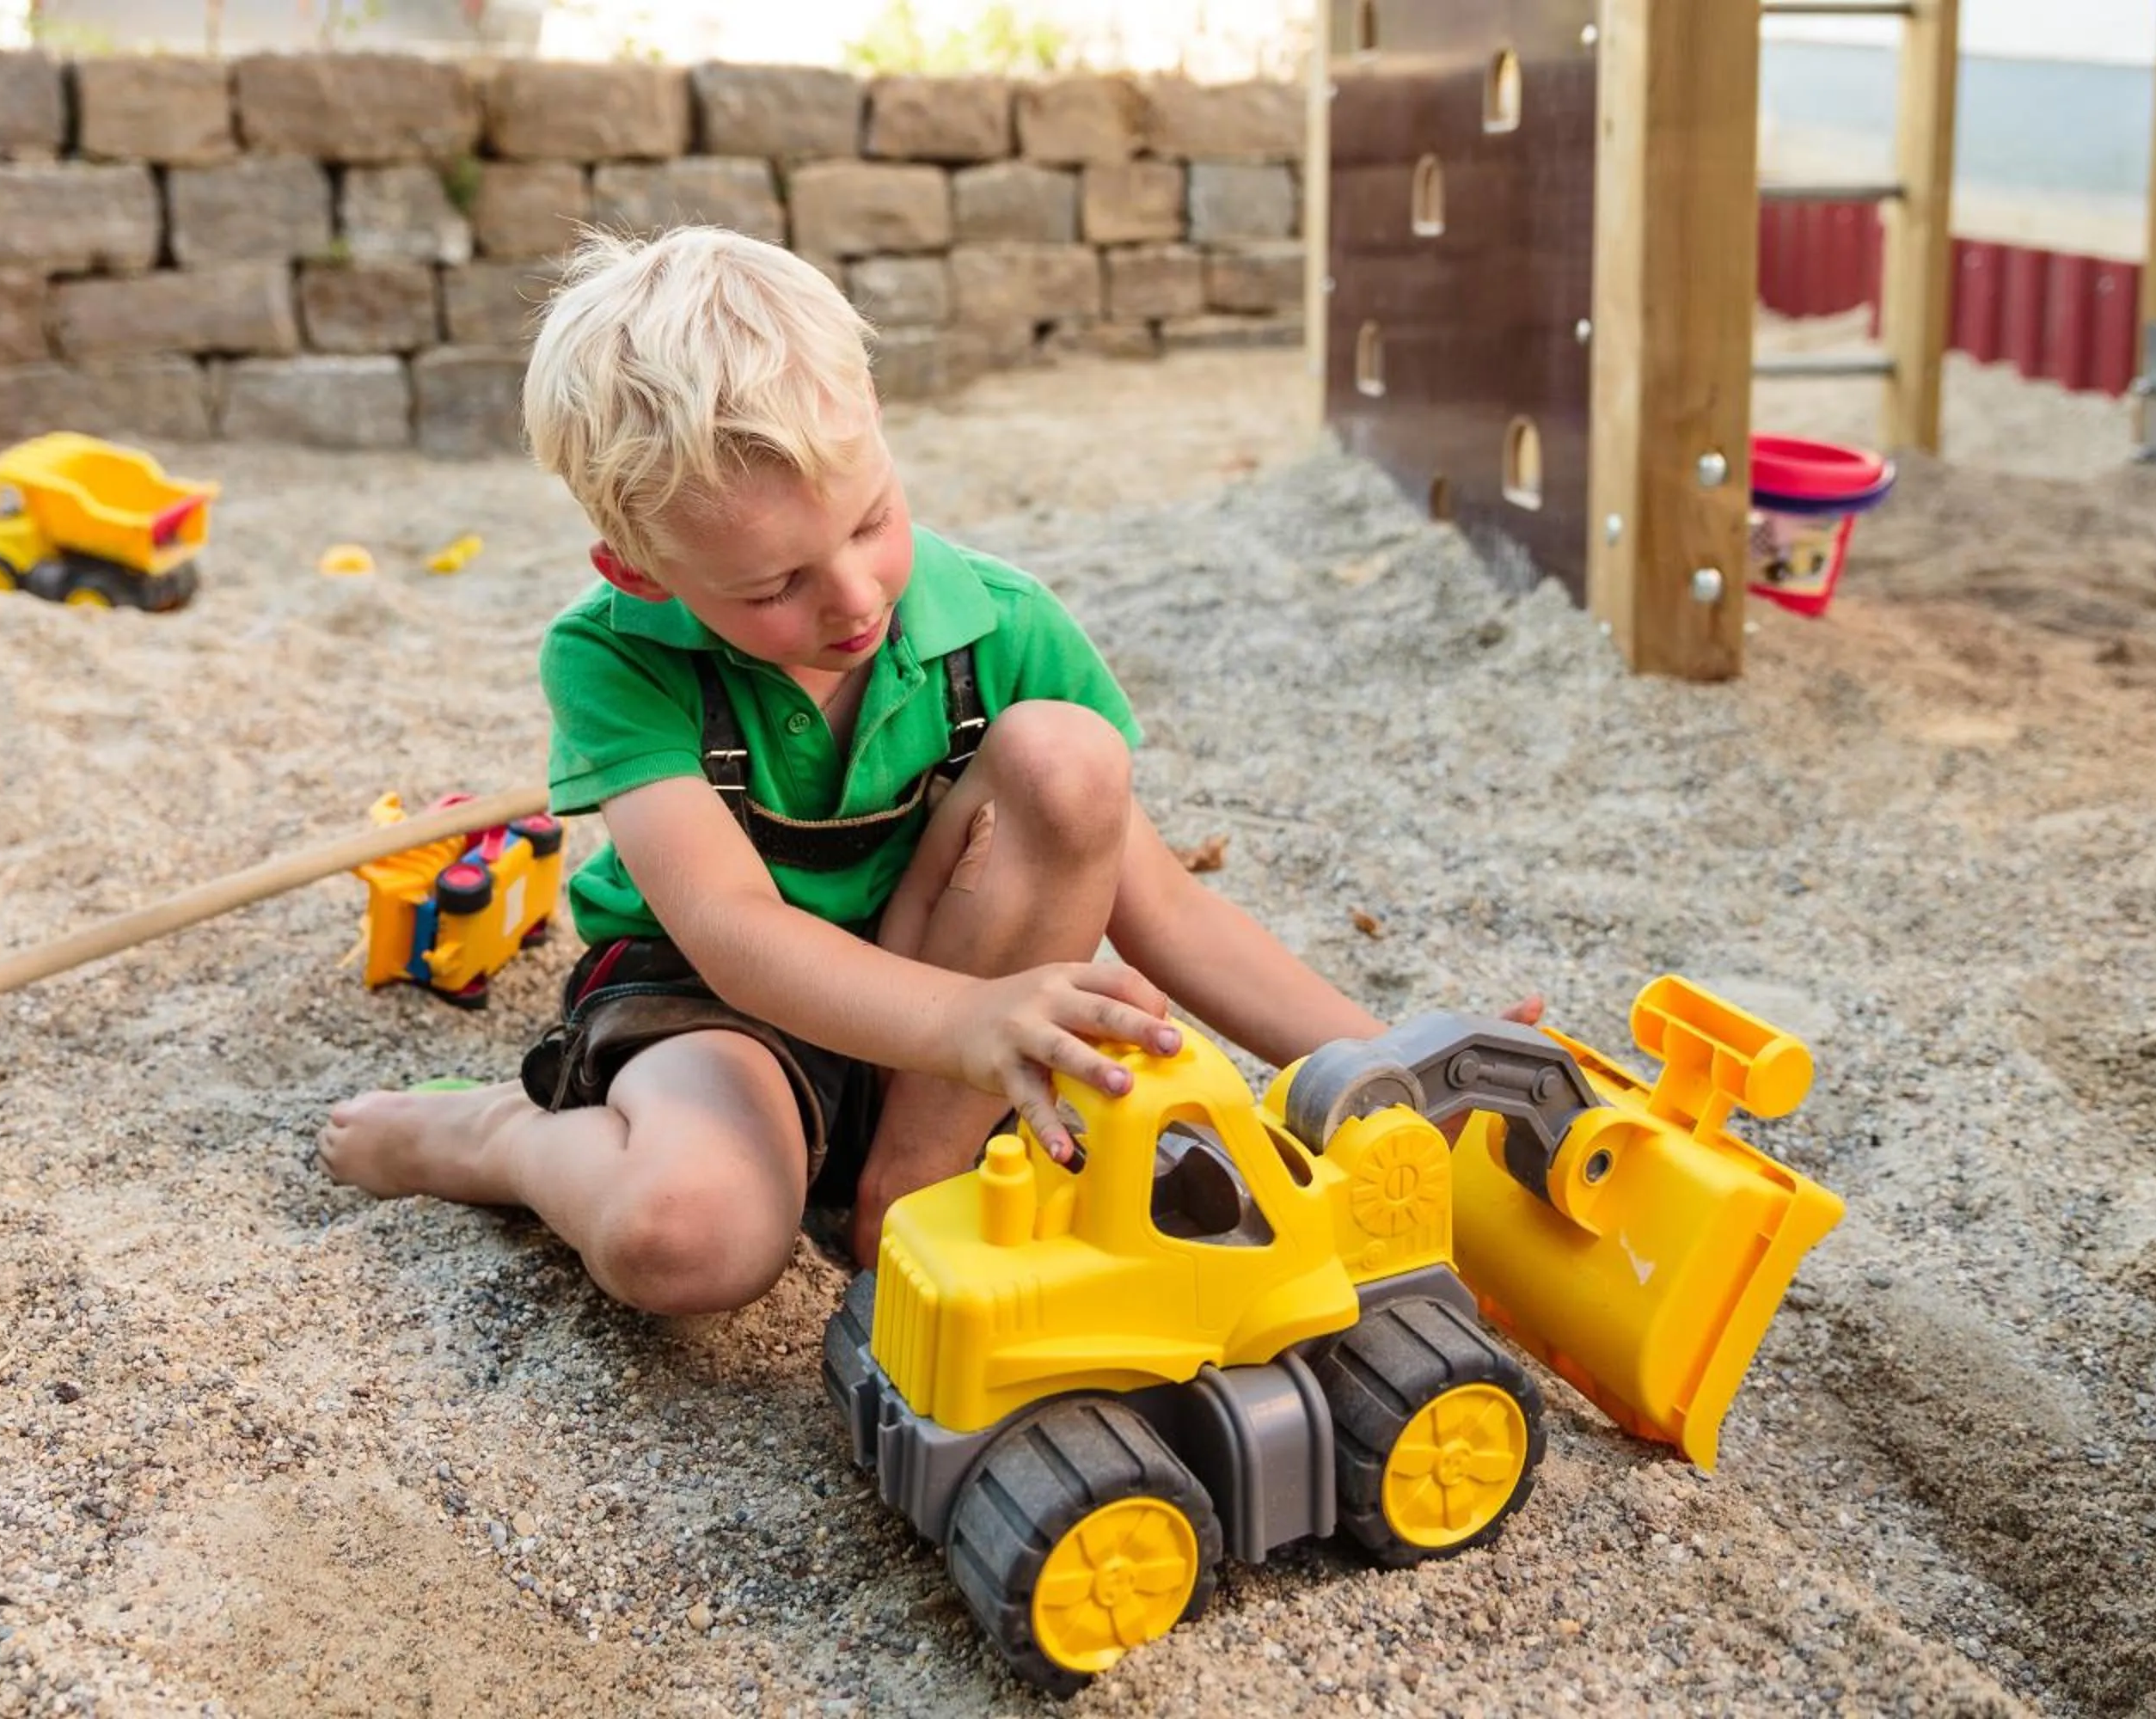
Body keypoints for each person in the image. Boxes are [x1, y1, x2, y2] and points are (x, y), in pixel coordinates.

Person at [318, 226, 1527, 1312]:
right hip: (724, 1007)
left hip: (948, 1006)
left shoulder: (1000, 626)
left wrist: (1389, 1058)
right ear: (644, 574)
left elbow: (1163, 912)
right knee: (685, 1243)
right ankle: (493, 1139)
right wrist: (967, 1021)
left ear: (881, 431)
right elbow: (733, 930)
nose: (854, 599)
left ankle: (903, 1193)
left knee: (1067, 759)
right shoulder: (614, 658)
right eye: (774, 586)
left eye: (869, 522)